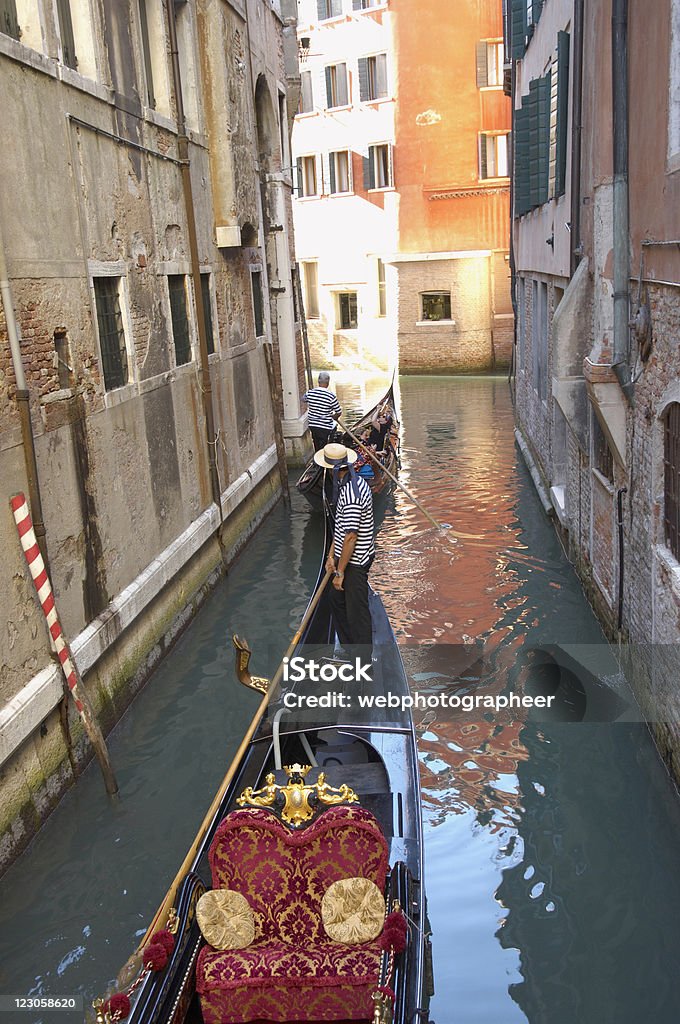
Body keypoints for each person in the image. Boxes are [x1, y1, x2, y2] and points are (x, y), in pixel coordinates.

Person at [315, 443, 375, 670]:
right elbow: (339, 528)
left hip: (355, 563)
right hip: (344, 559)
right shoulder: (348, 485)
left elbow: (350, 537)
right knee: (335, 599)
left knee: (357, 613)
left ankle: (363, 663)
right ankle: (352, 651)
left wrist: (340, 571)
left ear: (334, 470)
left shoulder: (351, 495)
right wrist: (331, 556)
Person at [303, 372, 342, 451]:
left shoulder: (310, 393)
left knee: (316, 444)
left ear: (318, 381)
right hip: (325, 426)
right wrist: (334, 416)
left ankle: (318, 458)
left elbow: (303, 399)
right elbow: (338, 411)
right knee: (324, 445)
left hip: (313, 425)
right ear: (328, 382)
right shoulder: (331, 396)